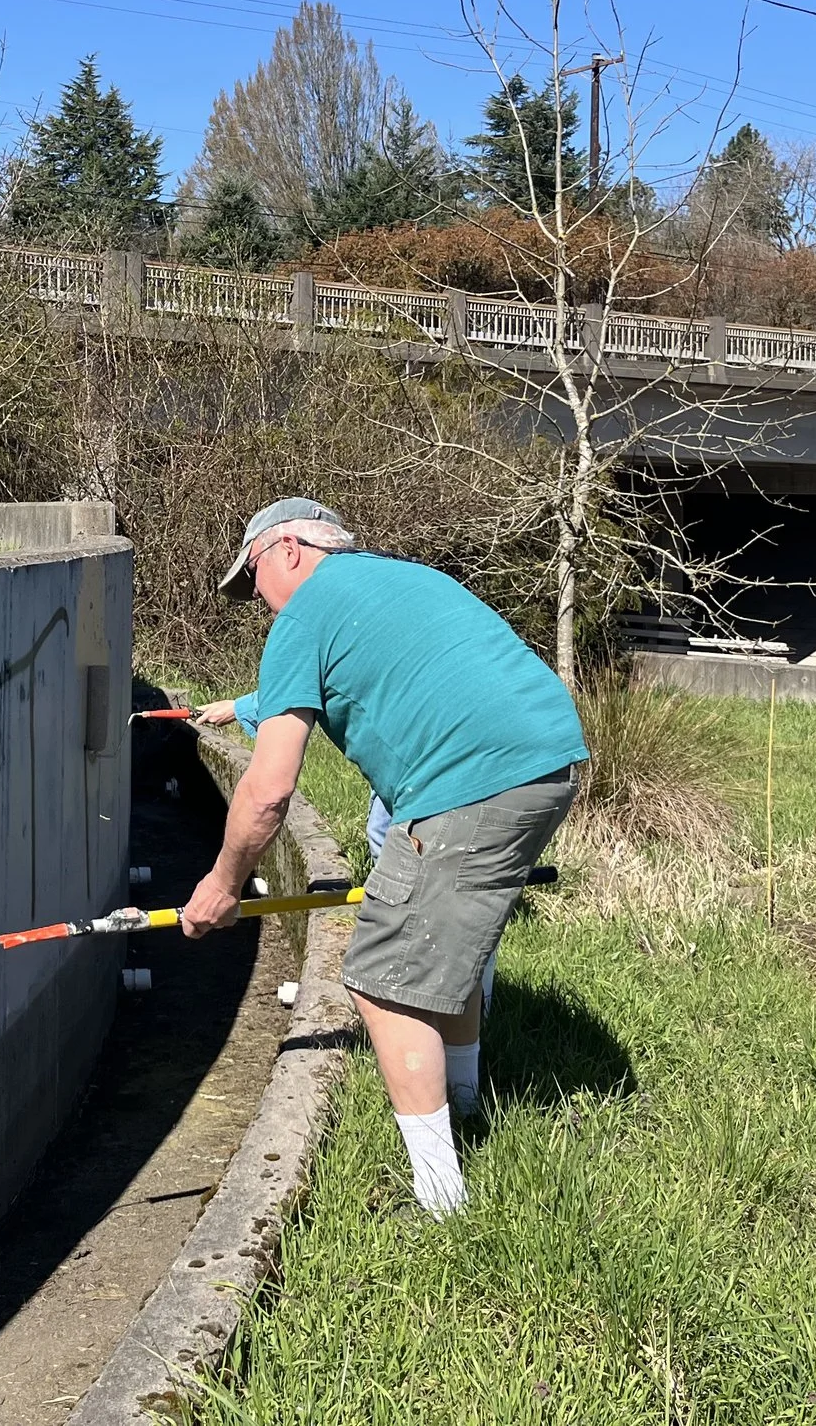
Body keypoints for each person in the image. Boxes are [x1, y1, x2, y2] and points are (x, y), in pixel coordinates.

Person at [179, 497, 586, 1217]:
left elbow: (269, 790)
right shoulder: (398, 580)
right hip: (549, 760)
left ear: (289, 550)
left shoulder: (305, 614)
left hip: (473, 781)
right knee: (444, 952)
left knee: (382, 977)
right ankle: (463, 1106)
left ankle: (441, 1204)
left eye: (254, 581)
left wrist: (221, 883)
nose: (259, 603)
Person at [193, 692, 500, 1027]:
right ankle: (458, 1019)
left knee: (429, 891)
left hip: (429, 755)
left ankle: (434, 1008)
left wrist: (223, 884)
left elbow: (270, 789)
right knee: (450, 891)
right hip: (470, 749)